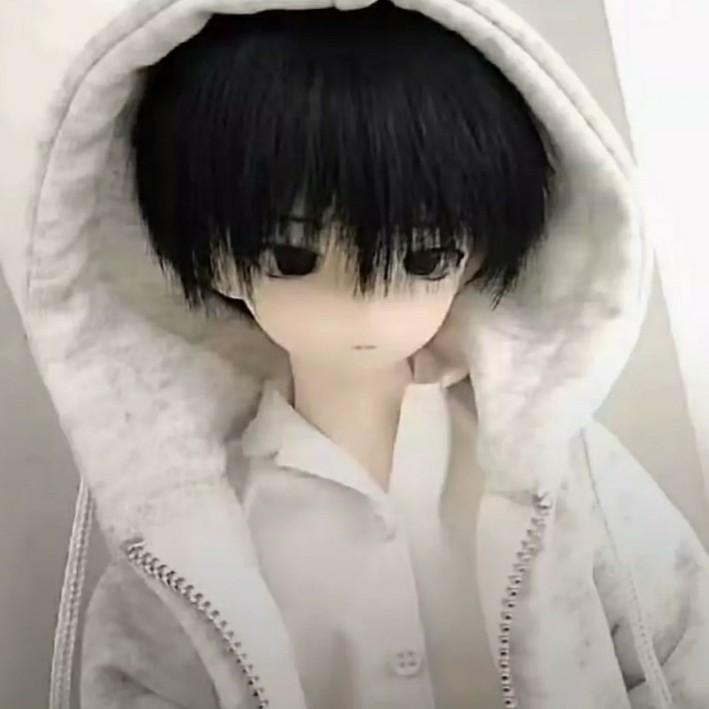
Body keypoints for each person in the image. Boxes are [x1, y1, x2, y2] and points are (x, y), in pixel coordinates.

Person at [9, 2, 709, 709]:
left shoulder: (558, 464)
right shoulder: (188, 524)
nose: (368, 306)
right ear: (218, 263)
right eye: (293, 256)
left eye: (425, 256)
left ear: (474, 258)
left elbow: (683, 645)